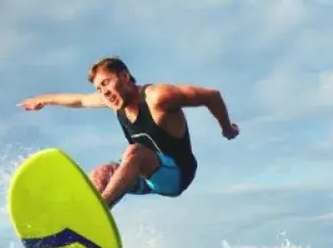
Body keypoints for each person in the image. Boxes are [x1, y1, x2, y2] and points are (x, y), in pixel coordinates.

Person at [16, 56, 239, 208]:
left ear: (124, 76)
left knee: (134, 152)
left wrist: (227, 128)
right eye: (99, 89)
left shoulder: (158, 97)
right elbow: (80, 100)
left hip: (177, 174)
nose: (104, 92)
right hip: (147, 177)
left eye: (106, 83)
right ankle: (79, 228)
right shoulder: (114, 101)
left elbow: (212, 96)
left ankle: (98, 214)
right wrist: (42, 100)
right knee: (101, 173)